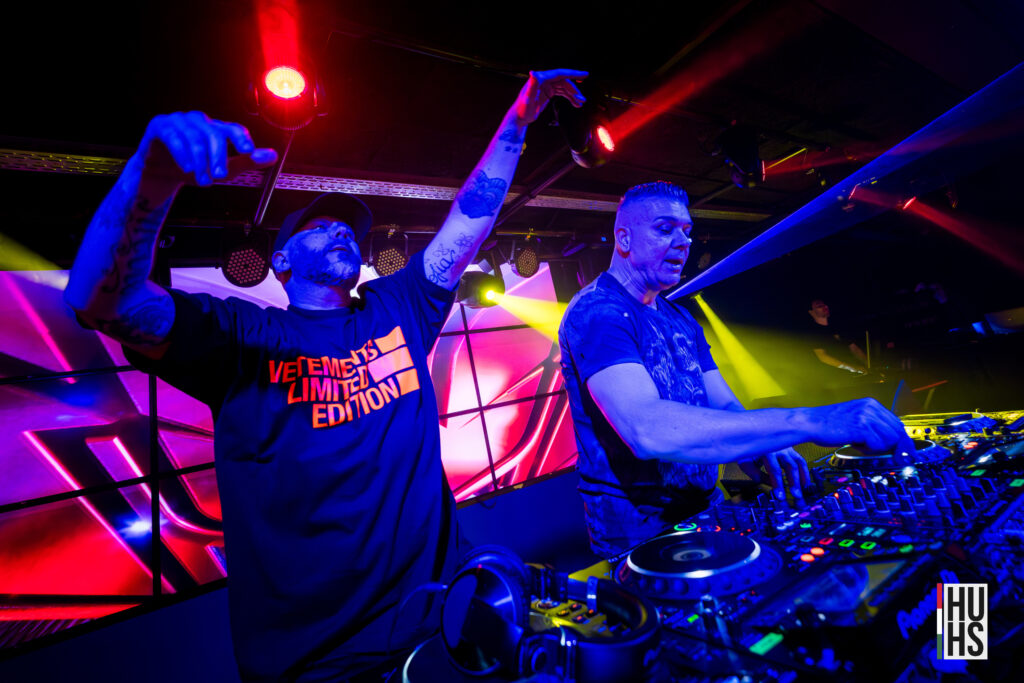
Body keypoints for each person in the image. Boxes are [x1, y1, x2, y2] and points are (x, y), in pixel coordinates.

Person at [64, 69, 587, 681]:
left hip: (443, 623)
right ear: (281, 261)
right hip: (320, 662)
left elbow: (469, 222)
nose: (341, 229)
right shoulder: (244, 335)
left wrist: (518, 121)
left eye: (348, 229)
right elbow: (102, 302)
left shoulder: (395, 307)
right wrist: (151, 177)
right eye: (319, 226)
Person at [558, 181, 917, 558]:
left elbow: (725, 405)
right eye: (665, 229)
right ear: (624, 238)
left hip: (703, 506)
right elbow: (647, 429)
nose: (683, 242)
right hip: (639, 528)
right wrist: (809, 421)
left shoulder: (679, 317)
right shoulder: (599, 312)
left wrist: (764, 446)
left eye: (687, 231)